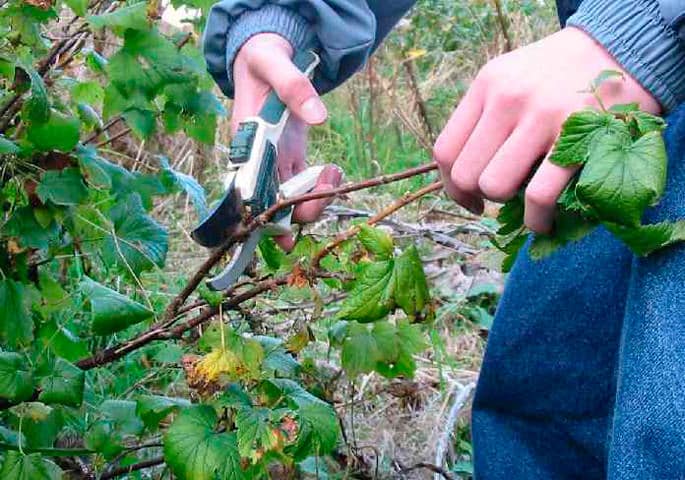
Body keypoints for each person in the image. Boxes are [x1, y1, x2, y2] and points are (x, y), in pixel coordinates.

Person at [202, 1, 685, 478]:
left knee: (666, 429)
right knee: (541, 406)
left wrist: (647, 27)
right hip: (613, 110)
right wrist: (287, 18)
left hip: (636, 67)